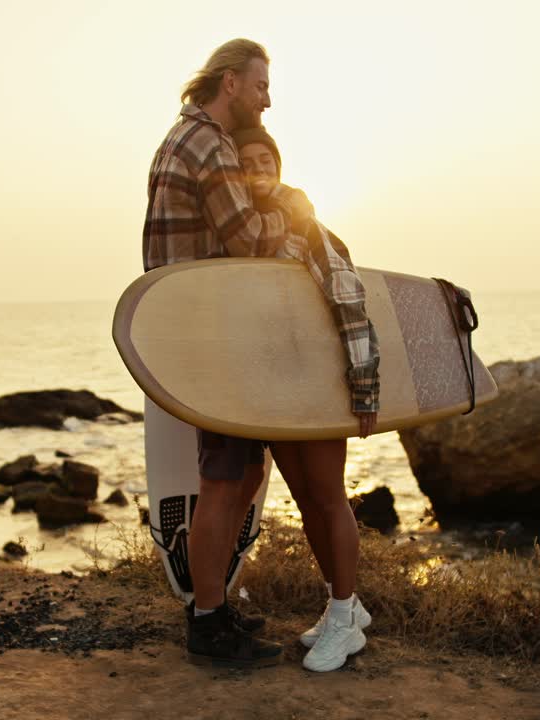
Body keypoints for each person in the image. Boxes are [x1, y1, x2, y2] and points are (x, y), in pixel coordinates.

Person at [143, 38, 314, 669]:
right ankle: (208, 625)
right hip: (211, 337)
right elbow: (247, 239)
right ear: (232, 81)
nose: (268, 98)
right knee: (223, 482)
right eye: (262, 85)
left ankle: (211, 603)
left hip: (195, 332)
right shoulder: (209, 143)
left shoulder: (179, 137)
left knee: (239, 476)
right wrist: (293, 217)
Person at [231, 126, 378, 672]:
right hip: (277, 387)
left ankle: (345, 620)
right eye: (244, 161)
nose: (257, 168)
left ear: (280, 164)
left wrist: (364, 385)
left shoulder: (304, 222)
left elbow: (349, 299)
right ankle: (345, 605)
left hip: (316, 383)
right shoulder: (245, 233)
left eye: (265, 158)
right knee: (307, 496)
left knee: (327, 495)